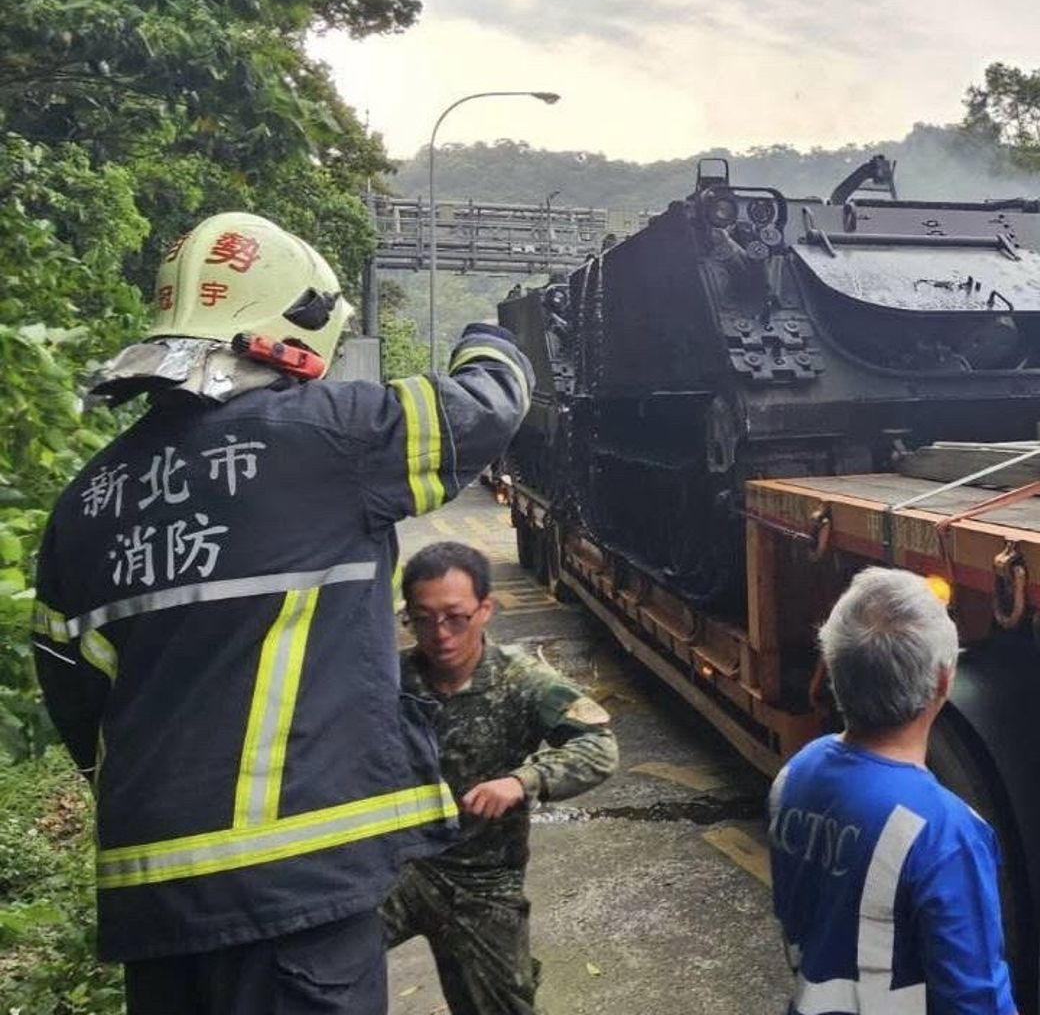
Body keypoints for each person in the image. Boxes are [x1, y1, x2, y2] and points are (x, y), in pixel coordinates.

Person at [30, 211, 535, 1014]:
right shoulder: (333, 437)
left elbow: (77, 702)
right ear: (296, 327)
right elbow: (489, 408)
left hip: (151, 900)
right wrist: (494, 335)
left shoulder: (84, 503)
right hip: (298, 889)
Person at [383, 541, 618, 1015]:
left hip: (483, 879)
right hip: (398, 868)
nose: (440, 635)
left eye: (456, 617)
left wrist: (523, 780)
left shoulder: (523, 682)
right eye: (423, 619)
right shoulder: (391, 680)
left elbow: (599, 746)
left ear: (485, 609)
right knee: (312, 964)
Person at [768, 567, 1017, 1015]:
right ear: (943, 681)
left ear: (833, 664)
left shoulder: (795, 775)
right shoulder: (945, 833)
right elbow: (976, 1000)